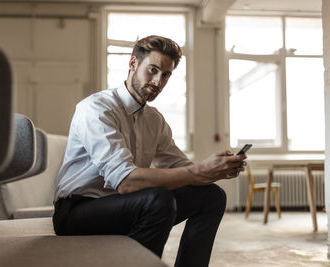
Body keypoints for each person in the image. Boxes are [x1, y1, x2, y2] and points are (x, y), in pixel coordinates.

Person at [53, 35, 246, 267]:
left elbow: (181, 169)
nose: (158, 81)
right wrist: (199, 171)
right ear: (133, 64)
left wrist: (214, 170)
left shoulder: (154, 120)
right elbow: (126, 182)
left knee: (212, 196)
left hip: (125, 205)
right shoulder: (96, 108)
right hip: (77, 211)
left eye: (165, 75)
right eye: (152, 70)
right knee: (157, 200)